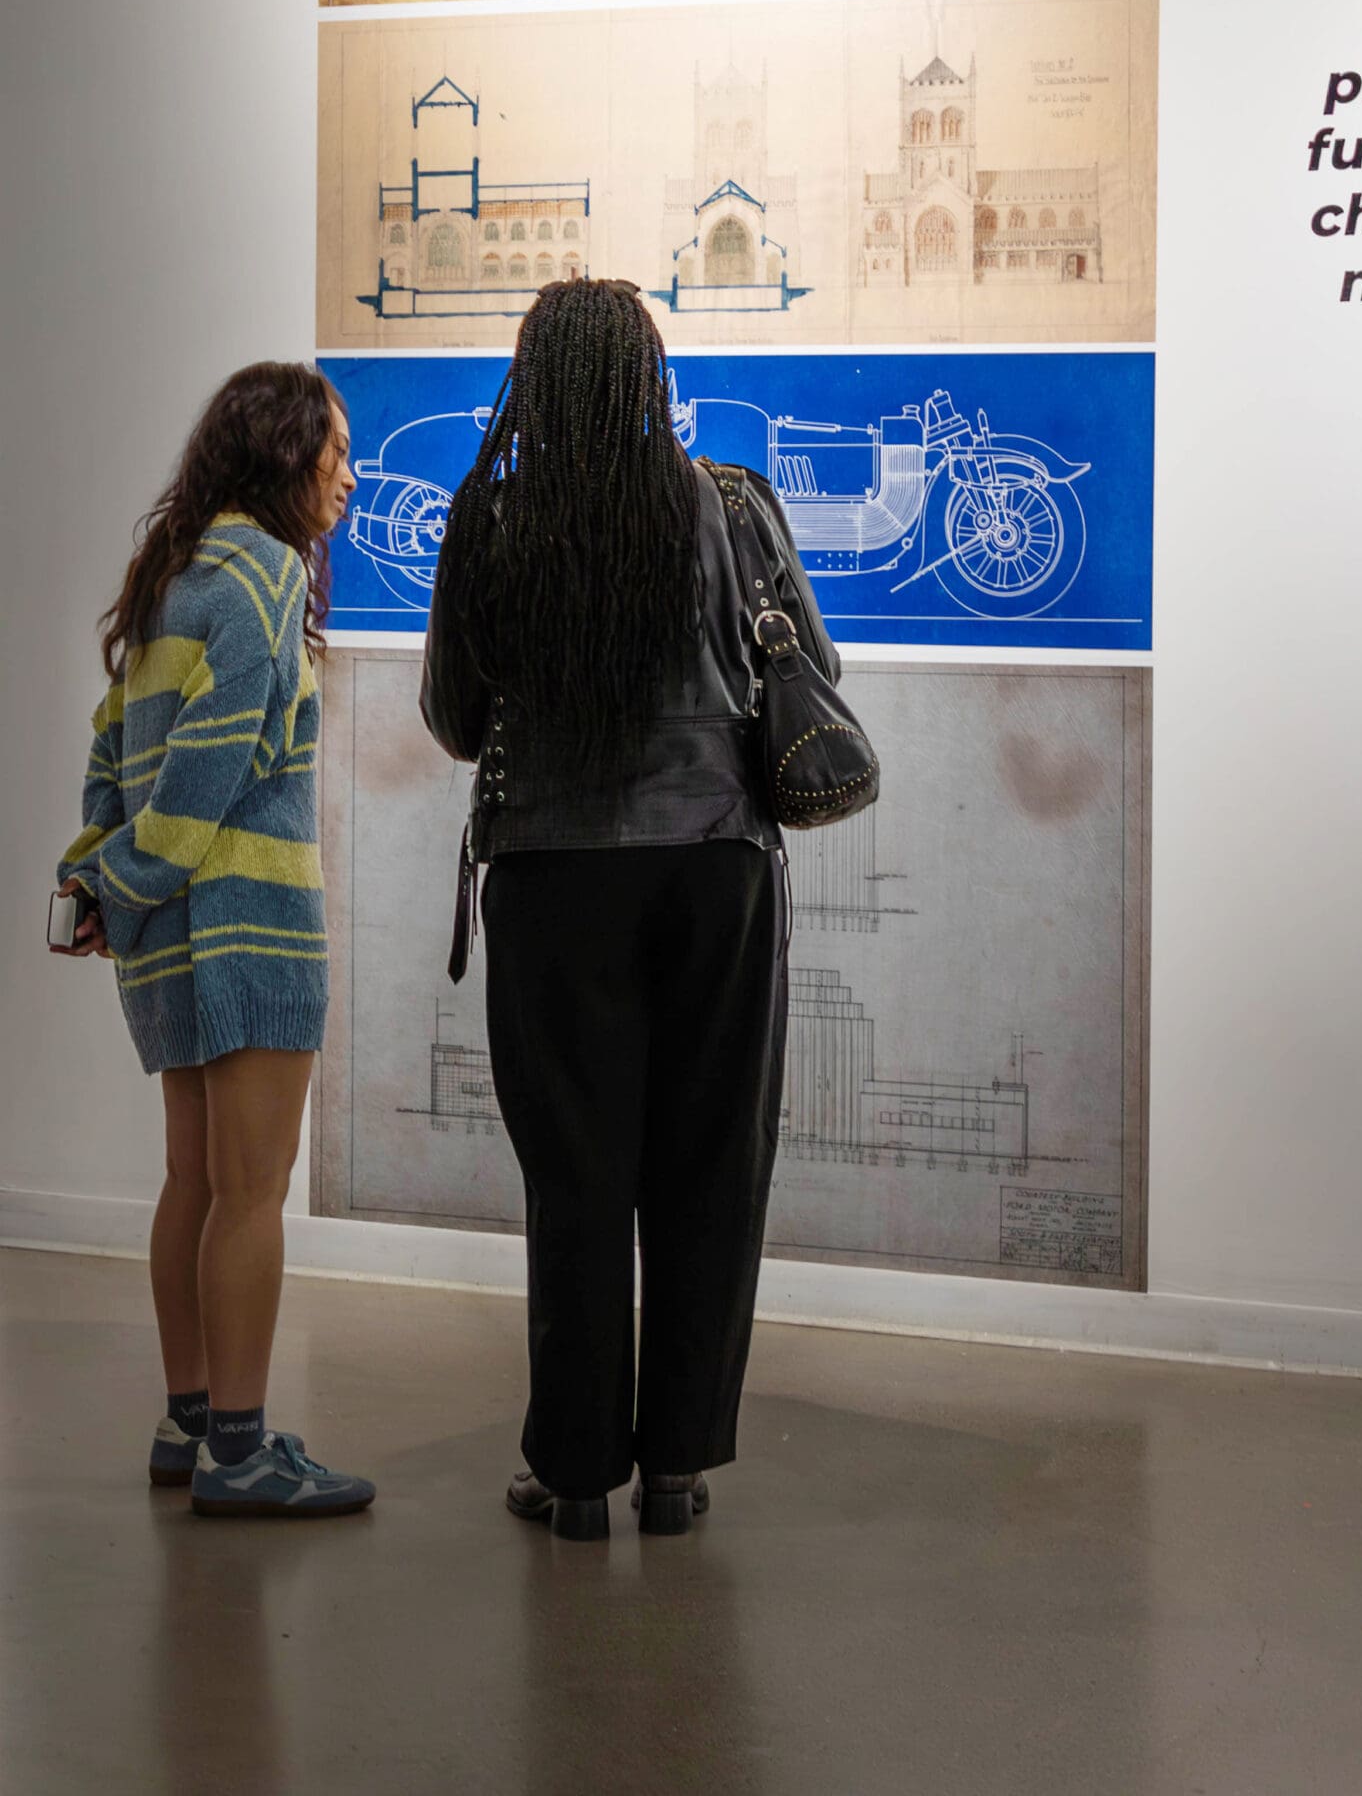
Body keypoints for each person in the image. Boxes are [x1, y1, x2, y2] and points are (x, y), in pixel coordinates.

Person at [420, 278, 832, 1544]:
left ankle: (578, 1472)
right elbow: (810, 669)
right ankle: (679, 1469)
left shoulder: (492, 519)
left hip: (553, 876)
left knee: (578, 1176)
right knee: (710, 1165)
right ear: (651, 376)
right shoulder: (733, 504)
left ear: (533, 385)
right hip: (716, 866)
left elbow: (451, 719)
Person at [53, 361, 376, 1518]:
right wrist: (130, 875)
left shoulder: (173, 581)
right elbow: (215, 763)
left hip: (170, 935)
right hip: (249, 924)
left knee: (193, 1179)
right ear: (284, 455)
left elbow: (109, 750)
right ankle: (240, 1451)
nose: (348, 472)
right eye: (333, 450)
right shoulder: (265, 575)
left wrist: (96, 877)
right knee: (254, 1192)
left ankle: (190, 1423)